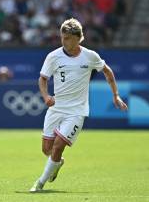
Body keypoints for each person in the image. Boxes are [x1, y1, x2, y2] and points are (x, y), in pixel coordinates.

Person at [30, 18, 128, 192]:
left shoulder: (90, 56)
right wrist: (45, 96)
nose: (64, 41)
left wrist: (116, 96)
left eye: (67, 38)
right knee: (47, 150)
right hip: (56, 108)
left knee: (59, 145)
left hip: (77, 110)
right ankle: (57, 163)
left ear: (78, 38)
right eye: (62, 37)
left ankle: (40, 183)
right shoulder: (53, 56)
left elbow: (108, 72)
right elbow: (43, 79)